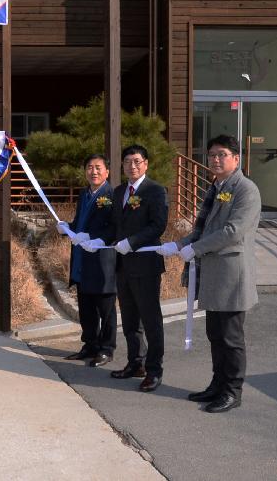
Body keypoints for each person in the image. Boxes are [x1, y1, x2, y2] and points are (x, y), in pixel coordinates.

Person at [160, 134, 261, 413]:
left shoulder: (245, 189)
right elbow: (204, 229)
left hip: (231, 275)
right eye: (212, 155)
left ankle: (232, 391)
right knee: (215, 334)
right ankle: (217, 385)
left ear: (236, 159)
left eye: (222, 155)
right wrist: (179, 244)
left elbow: (233, 232)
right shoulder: (216, 186)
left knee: (230, 337)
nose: (216, 160)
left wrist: (197, 249)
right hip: (214, 273)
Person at [108, 145, 168, 392]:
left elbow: (158, 226)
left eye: (136, 162)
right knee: (130, 319)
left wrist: (131, 243)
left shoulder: (155, 191)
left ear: (146, 164)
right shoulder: (119, 191)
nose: (131, 166)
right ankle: (136, 363)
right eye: (127, 162)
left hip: (145, 265)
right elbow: (114, 225)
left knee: (150, 319)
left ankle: (154, 370)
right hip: (123, 265)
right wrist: (98, 240)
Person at [57, 154, 117, 368]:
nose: (94, 172)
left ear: (107, 172)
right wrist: (67, 228)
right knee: (86, 308)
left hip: (102, 261)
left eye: (98, 167)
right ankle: (90, 345)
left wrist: (93, 238)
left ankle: (106, 349)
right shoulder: (84, 194)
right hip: (82, 259)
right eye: (90, 167)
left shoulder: (111, 195)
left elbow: (113, 227)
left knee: (106, 309)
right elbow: (79, 224)